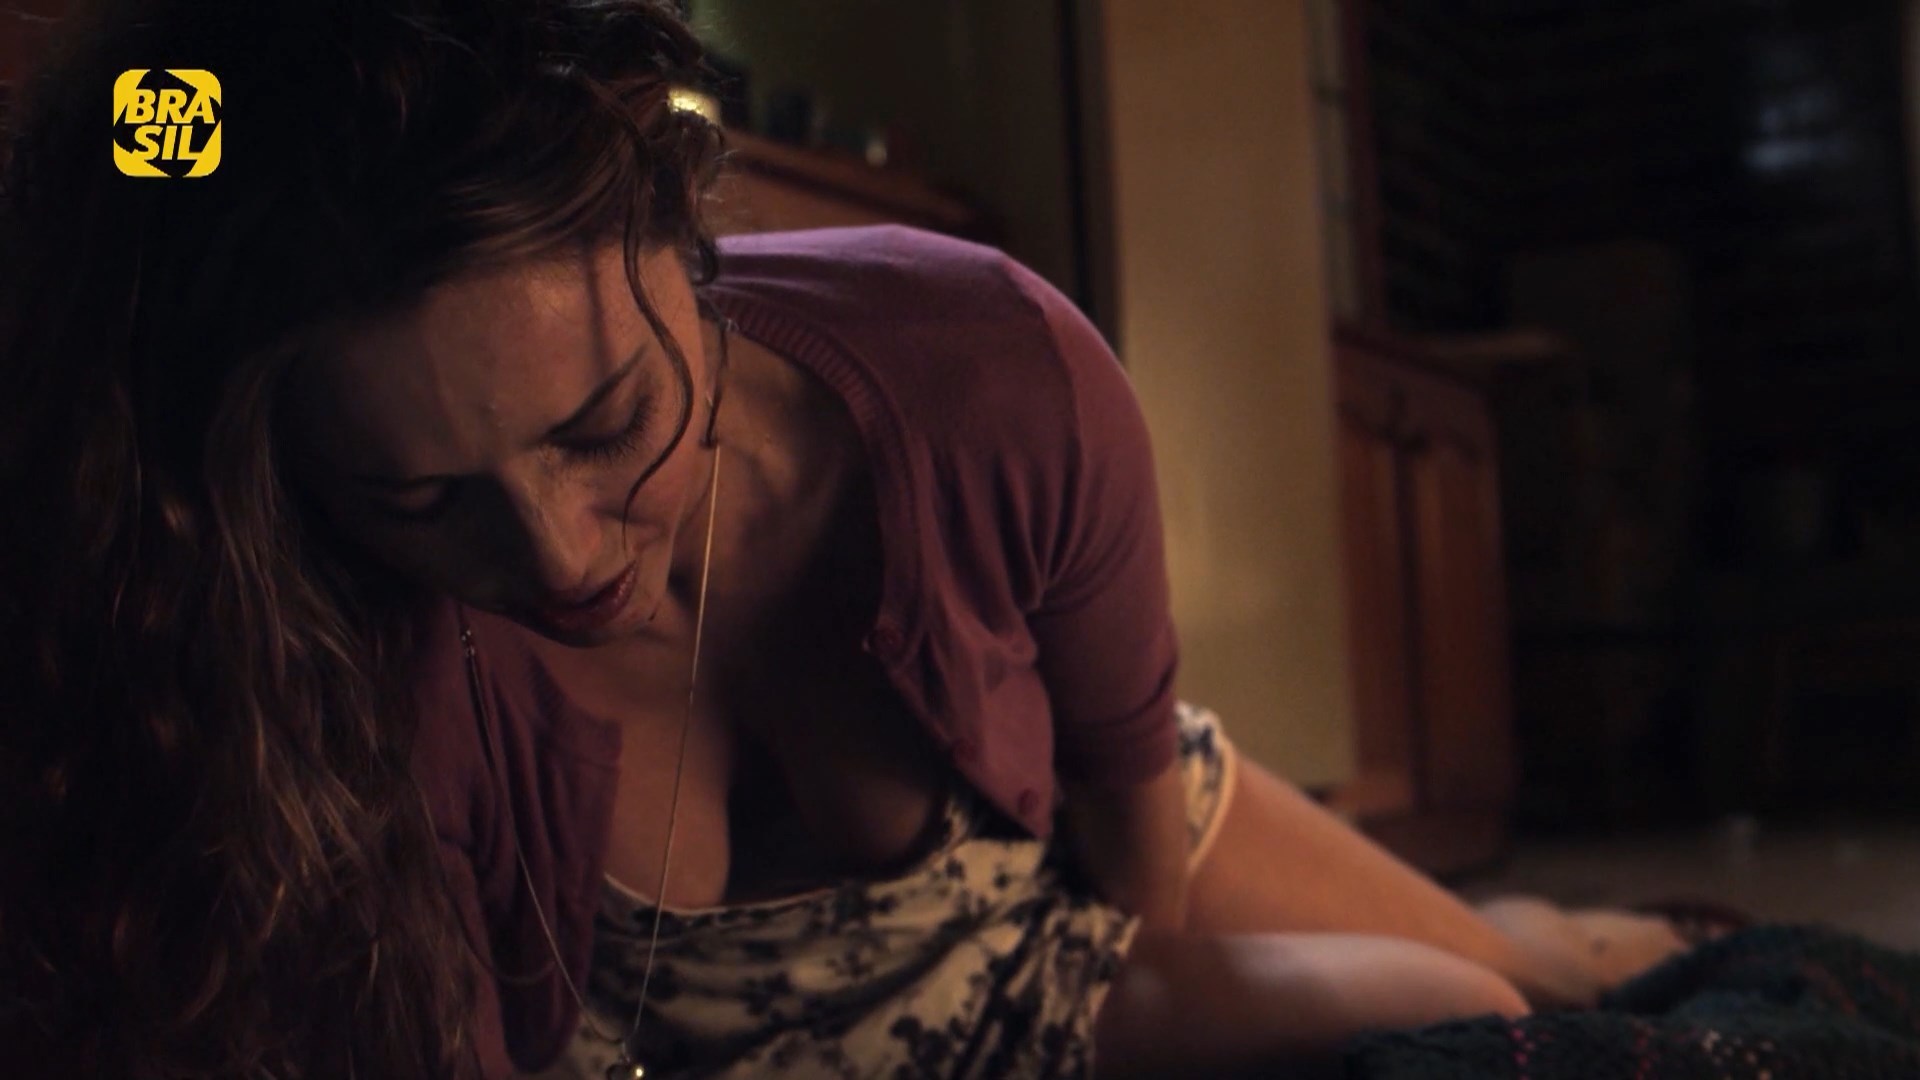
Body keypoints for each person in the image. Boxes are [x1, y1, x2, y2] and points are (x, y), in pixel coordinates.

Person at [0, 1, 1687, 1077]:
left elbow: (1131, 833)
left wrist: (1171, 1004)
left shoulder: (988, 363)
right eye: (424, 499)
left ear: (684, 221)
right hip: (704, 1046)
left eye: (602, 426)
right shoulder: (322, 642)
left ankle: (1617, 931)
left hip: (1055, 876)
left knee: (1506, 988)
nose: (560, 555)